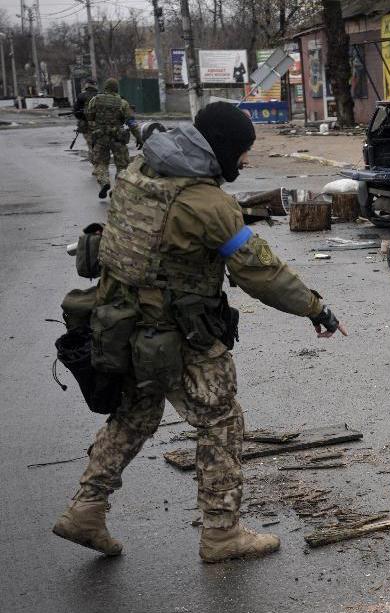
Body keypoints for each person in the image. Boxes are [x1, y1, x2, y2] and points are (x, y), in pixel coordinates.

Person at [52, 102, 347, 563]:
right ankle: (222, 533)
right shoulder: (207, 204)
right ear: (224, 149)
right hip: (177, 335)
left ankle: (86, 509)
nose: (246, 162)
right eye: (243, 152)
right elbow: (259, 272)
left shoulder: (141, 169)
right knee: (222, 421)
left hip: (117, 323)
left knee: (134, 416)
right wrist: (315, 308)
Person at [85, 78, 142, 199]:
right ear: (116, 88)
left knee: (100, 163)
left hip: (100, 137)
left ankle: (104, 182)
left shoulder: (95, 100)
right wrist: (139, 137)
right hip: (118, 138)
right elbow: (131, 122)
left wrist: (96, 130)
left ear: (105, 87)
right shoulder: (123, 103)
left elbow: (89, 118)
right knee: (122, 165)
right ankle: (116, 189)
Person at [73, 79, 99, 162]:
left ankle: (95, 165)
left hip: (86, 125)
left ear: (86, 85)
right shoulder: (100, 96)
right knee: (99, 144)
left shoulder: (81, 96)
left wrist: (84, 118)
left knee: (90, 145)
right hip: (99, 124)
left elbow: (76, 112)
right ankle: (100, 164)